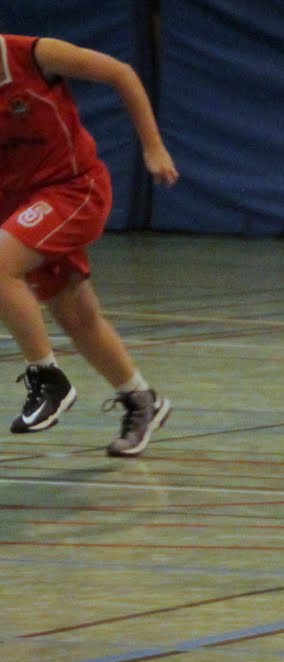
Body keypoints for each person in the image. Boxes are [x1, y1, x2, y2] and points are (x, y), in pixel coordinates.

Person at [1, 33, 177, 456]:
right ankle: (141, 399)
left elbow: (122, 73)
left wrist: (153, 147)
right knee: (77, 315)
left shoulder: (35, 55)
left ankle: (48, 379)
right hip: (24, 204)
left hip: (75, 190)